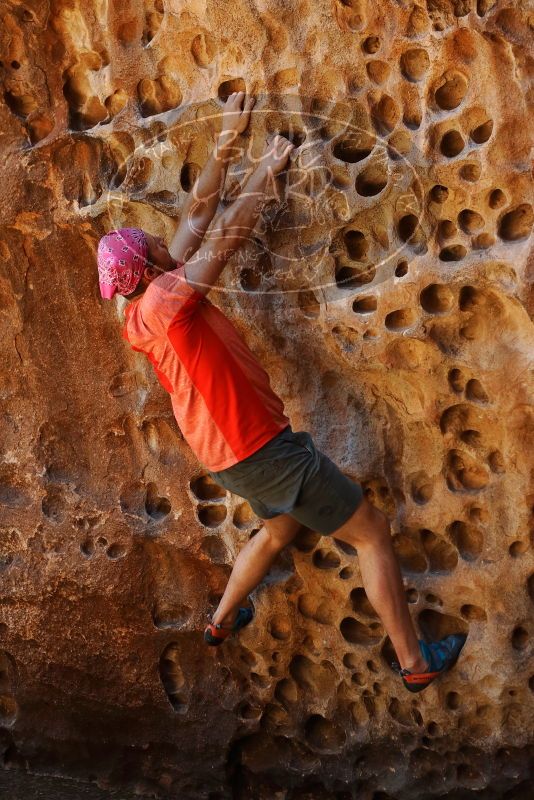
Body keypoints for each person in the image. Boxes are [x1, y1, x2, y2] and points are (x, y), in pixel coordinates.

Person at [97, 92, 466, 693]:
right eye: (153, 243)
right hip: (261, 450)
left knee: (280, 531)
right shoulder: (168, 302)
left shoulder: (139, 309)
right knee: (370, 529)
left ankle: (221, 621)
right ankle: (415, 661)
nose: (165, 241)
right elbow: (224, 237)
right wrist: (268, 167)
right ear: (147, 265)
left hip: (229, 460)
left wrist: (223, 148)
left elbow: (194, 219)